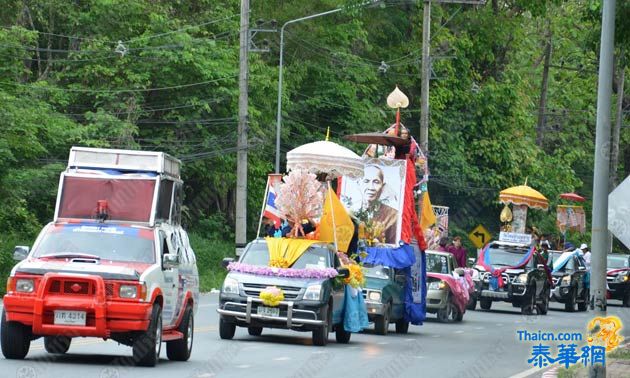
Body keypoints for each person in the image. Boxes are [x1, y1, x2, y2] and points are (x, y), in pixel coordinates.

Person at [361, 165, 398, 244]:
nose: (371, 187)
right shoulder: (350, 211)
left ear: (383, 186)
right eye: (366, 181)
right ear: (359, 183)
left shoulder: (392, 215)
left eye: (376, 182)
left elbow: (392, 247)